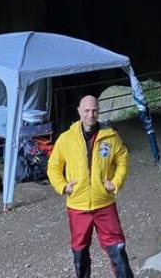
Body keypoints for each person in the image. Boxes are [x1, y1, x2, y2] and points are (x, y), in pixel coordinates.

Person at [47, 95, 134, 278]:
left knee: (117, 249)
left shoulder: (110, 136)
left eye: (94, 110)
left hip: (104, 203)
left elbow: (123, 159)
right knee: (80, 252)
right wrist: (63, 186)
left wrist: (116, 182)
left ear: (99, 111)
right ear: (79, 111)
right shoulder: (66, 139)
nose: (90, 115)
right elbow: (53, 166)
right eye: (86, 110)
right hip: (78, 205)